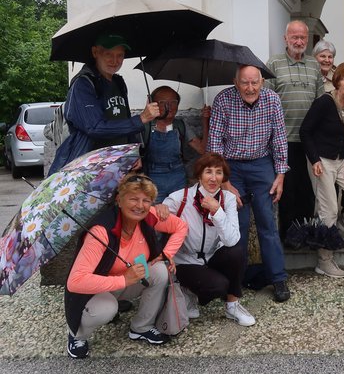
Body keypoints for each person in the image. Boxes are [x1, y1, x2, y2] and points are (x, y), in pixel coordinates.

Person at [64, 174, 188, 359]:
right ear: (119, 200)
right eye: (133, 199)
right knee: (106, 308)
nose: (140, 205)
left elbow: (180, 226)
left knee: (160, 271)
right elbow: (75, 282)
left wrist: (166, 254)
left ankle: (141, 327)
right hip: (93, 291)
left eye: (146, 200)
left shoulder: (149, 216)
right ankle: (77, 335)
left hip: (125, 281)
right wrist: (123, 280)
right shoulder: (100, 232)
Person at [208, 64, 291, 302]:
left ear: (262, 82)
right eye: (245, 82)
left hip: (262, 164)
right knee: (237, 225)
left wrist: (280, 174)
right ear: (236, 82)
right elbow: (215, 143)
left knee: (268, 222)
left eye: (255, 82)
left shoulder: (272, 99)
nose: (250, 87)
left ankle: (278, 278)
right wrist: (224, 181)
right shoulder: (223, 100)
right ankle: (236, 280)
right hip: (232, 166)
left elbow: (280, 138)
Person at [160, 153, 255, 325]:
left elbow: (232, 240)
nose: (213, 178)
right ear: (199, 175)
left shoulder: (229, 199)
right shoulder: (179, 198)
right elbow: (157, 218)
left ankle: (232, 306)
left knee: (236, 252)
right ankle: (188, 290)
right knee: (218, 286)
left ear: (223, 177)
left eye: (218, 172)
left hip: (212, 256)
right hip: (186, 261)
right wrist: (160, 208)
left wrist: (217, 211)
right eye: (208, 172)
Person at [49, 33, 160, 175]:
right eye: (109, 54)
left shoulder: (119, 83)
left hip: (119, 164)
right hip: (90, 167)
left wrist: (134, 153)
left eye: (120, 55)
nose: (115, 60)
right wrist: (141, 119)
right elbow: (94, 127)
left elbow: (124, 120)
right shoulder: (83, 85)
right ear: (95, 52)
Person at [300, 62, 344, 278]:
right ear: (337, 80)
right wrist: (314, 160)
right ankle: (325, 261)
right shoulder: (324, 103)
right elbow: (305, 131)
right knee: (328, 210)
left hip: (342, 160)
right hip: (321, 161)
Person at [266, 20, 324, 239]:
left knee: (308, 190)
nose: (299, 41)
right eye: (294, 37)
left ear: (307, 40)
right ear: (286, 39)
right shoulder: (274, 63)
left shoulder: (314, 65)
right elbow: (266, 101)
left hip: (310, 140)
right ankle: (290, 236)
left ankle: (306, 232)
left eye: (303, 38)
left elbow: (320, 102)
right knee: (288, 190)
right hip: (283, 139)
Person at [143, 86, 209, 203]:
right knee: (155, 216)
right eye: (162, 102)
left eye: (173, 102)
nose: (169, 107)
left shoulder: (180, 125)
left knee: (179, 214)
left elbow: (202, 149)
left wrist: (205, 120)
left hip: (177, 175)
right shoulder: (145, 126)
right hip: (152, 176)